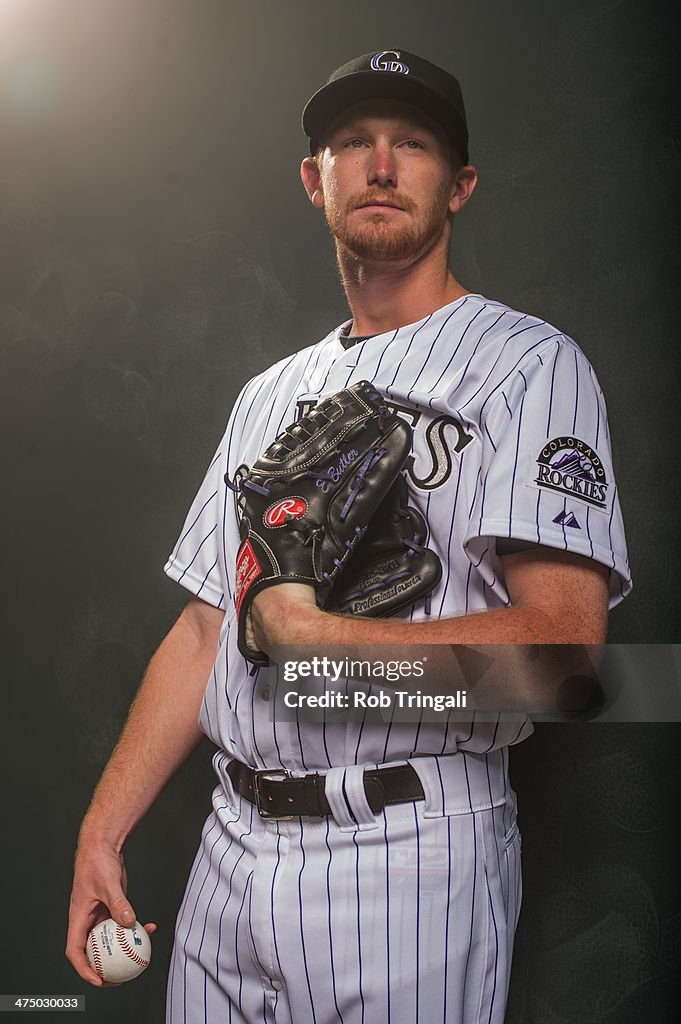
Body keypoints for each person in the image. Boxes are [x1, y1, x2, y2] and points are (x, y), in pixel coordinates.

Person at [66, 48, 632, 1023]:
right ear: (312, 178)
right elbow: (207, 630)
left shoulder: (529, 366)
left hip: (407, 854)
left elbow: (562, 662)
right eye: (352, 142)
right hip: (229, 851)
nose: (379, 165)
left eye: (411, 143)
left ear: (459, 184)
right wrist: (103, 827)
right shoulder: (267, 396)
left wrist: (325, 643)